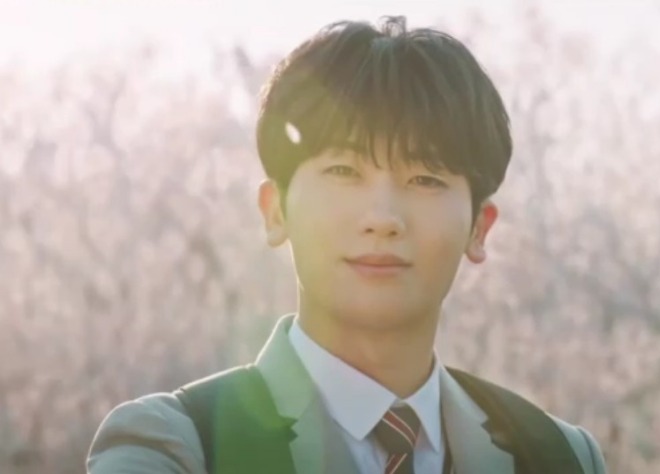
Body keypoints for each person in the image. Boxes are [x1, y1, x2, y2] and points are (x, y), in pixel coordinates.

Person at [87, 16, 607, 474]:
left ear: (479, 228)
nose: (382, 219)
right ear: (275, 211)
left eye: (425, 178)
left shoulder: (557, 457)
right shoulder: (178, 446)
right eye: (343, 171)